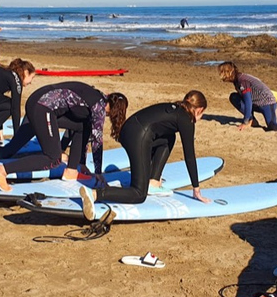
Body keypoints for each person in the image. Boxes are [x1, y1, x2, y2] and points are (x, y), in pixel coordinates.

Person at [0, 82, 128, 192]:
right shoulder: (98, 107)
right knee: (52, 159)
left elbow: (79, 130)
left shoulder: (95, 96)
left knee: (7, 151)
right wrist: (98, 174)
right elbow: (97, 142)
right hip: (42, 107)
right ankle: (1, 171)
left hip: (39, 101)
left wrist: (80, 164)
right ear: (115, 110)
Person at [79, 90, 211, 221]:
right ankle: (95, 194)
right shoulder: (187, 120)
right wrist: (196, 189)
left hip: (129, 131)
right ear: (199, 110)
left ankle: (153, 182)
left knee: (169, 138)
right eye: (202, 114)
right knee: (139, 194)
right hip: (137, 137)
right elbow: (189, 155)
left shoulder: (174, 109)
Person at [217, 61, 277, 134]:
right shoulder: (237, 80)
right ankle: (252, 120)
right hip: (256, 102)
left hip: (267, 103)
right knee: (234, 97)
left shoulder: (242, 80)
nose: (220, 76)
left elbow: (248, 101)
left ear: (228, 72)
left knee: (273, 126)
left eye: (222, 72)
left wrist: (245, 122)